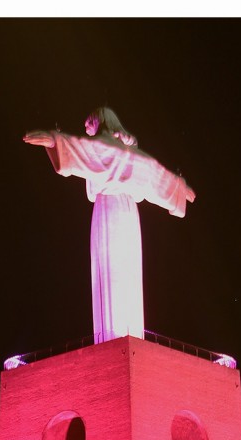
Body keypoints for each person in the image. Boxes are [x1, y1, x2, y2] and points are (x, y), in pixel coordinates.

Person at [24, 107, 195, 344]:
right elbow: (158, 174)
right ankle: (125, 340)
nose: (87, 130)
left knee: (111, 276)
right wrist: (178, 188)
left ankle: (116, 342)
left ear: (99, 122)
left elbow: (76, 147)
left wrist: (54, 139)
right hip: (129, 214)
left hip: (107, 212)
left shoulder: (102, 148)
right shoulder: (132, 155)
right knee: (125, 277)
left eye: (89, 125)